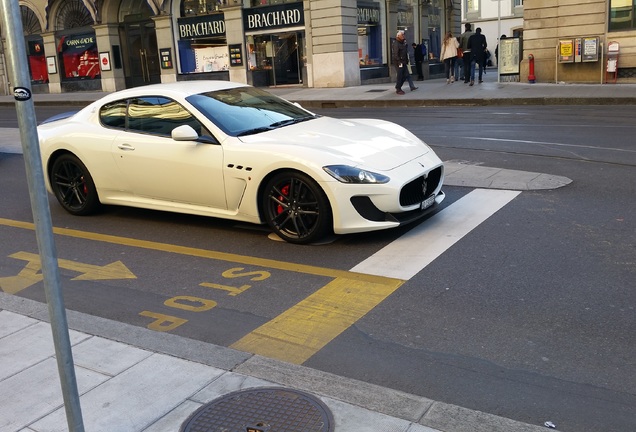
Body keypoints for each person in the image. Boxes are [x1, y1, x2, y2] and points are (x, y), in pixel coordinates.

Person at [391, 30, 417, 95]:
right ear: (398, 36)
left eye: (403, 35)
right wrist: (399, 61)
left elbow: (405, 53)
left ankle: (399, 87)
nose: (403, 36)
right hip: (399, 62)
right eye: (402, 35)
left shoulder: (403, 43)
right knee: (400, 75)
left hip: (404, 61)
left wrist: (407, 61)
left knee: (406, 75)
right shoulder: (396, 43)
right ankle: (398, 88)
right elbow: (395, 54)